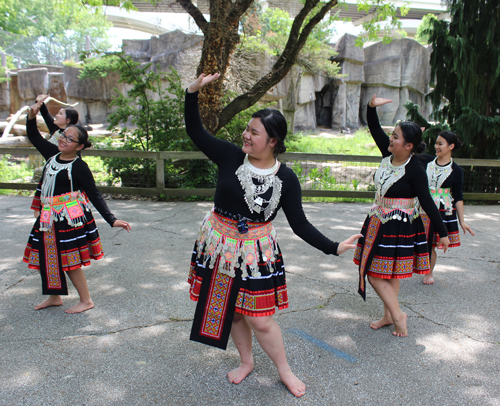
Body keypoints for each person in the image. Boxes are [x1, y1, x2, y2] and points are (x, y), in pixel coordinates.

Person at [185, 73, 361, 398]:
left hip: (256, 253)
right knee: (233, 310)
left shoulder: (287, 179)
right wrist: (192, 93)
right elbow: (196, 131)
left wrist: (332, 247)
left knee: (261, 319)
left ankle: (285, 371)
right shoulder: (228, 156)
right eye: (247, 129)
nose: (246, 135)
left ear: (272, 141)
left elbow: (300, 224)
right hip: (220, 245)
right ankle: (246, 361)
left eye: (254, 132)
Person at [354, 95, 450, 337]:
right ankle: (389, 315)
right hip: (377, 219)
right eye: (392, 135)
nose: (391, 139)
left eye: (396, 137)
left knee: (375, 274)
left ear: (408, 146)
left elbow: (427, 201)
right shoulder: (387, 157)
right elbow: (374, 127)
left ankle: (398, 316)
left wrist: (443, 232)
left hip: (399, 226)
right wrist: (370, 107)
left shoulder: (416, 169)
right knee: (387, 273)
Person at [23, 101, 131, 314]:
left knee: (70, 261)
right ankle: (55, 297)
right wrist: (31, 116)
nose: (63, 140)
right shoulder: (52, 155)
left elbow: (94, 194)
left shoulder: (79, 167)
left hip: (69, 218)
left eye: (70, 139)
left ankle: (86, 300)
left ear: (80, 146)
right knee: (46, 256)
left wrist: (111, 219)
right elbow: (34, 136)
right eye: (63, 136)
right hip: (47, 217)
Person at [419, 131, 475, 285]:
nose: (436, 146)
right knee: (418, 240)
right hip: (421, 207)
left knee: (430, 243)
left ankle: (429, 273)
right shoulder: (426, 162)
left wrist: (462, 221)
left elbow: (458, 197)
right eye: (436, 143)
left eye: (440, 143)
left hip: (442, 211)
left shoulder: (456, 170)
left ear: (451, 146)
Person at [30, 95, 81, 217]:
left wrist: (31, 116)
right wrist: (39, 102)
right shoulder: (57, 130)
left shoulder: (68, 142)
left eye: (60, 113)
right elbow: (45, 114)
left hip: (64, 178)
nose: (56, 115)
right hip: (51, 173)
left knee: (60, 212)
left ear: (68, 120)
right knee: (41, 212)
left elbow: (34, 136)